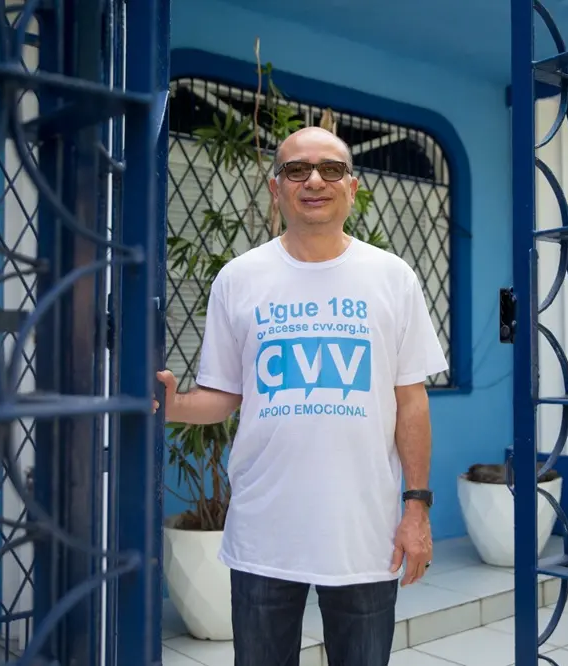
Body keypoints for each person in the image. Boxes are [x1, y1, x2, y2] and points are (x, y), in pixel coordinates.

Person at [153, 126, 448, 666]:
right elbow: (222, 397)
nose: (314, 180)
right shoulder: (238, 280)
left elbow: (411, 402)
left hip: (364, 534)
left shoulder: (393, 278)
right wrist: (171, 404)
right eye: (297, 170)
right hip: (266, 532)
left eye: (330, 169)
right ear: (275, 188)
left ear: (352, 187)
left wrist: (417, 510)